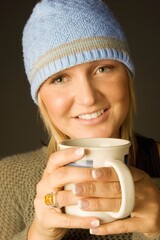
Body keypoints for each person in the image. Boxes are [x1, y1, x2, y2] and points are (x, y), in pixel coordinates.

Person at [0, 0, 160, 239]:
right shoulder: (9, 178)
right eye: (60, 79)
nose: (88, 98)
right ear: (40, 97)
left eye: (103, 68)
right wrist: (39, 234)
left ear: (126, 76)